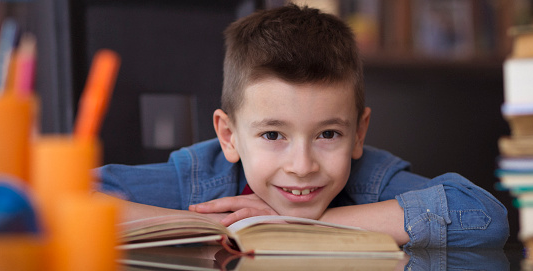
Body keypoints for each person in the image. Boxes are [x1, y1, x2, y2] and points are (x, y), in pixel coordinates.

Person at [96, 4, 508, 248]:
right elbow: (67, 201)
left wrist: (299, 227)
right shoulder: (202, 182)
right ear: (228, 136)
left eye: (328, 134)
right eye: (273, 135)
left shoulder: (371, 182)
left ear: (359, 133)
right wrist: (216, 227)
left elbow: (483, 218)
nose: (302, 165)